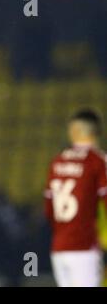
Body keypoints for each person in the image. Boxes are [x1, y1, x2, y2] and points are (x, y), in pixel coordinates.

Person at [44, 108, 107, 287]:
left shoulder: (57, 161)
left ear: (74, 130)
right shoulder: (98, 161)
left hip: (59, 247)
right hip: (84, 247)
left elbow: (49, 209)